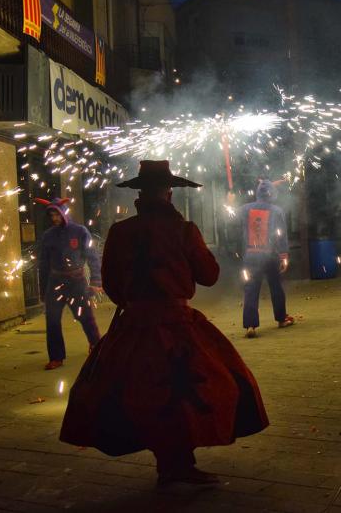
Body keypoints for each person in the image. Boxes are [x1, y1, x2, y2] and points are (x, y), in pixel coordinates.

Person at [60, 160, 269, 487]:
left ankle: (171, 464)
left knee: (141, 393)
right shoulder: (184, 230)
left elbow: (113, 286)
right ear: (169, 193)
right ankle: (178, 465)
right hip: (177, 325)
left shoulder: (119, 231)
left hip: (134, 327)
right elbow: (210, 276)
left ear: (140, 194)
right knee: (196, 389)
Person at [35, 197, 101, 371]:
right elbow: (43, 264)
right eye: (51, 215)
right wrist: (43, 290)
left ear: (64, 212)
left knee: (86, 317)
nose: (54, 218)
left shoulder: (80, 231)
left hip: (77, 281)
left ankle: (97, 347)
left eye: (56, 214)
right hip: (55, 282)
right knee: (52, 321)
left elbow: (92, 257)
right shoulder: (48, 236)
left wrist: (95, 281)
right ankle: (56, 357)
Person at [239, 179, 295, 338]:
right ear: (272, 194)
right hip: (271, 256)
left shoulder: (245, 209)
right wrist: (284, 255)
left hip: (251, 256)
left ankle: (250, 326)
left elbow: (229, 219)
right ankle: (281, 319)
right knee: (276, 287)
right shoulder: (277, 211)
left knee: (251, 289)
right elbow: (281, 235)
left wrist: (230, 201)